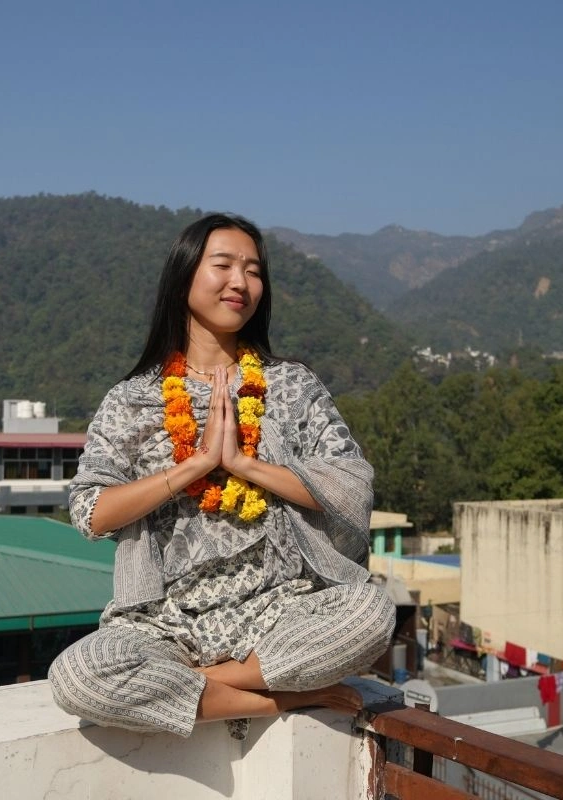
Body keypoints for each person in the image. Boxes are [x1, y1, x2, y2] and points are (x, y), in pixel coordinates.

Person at [48, 213, 395, 738]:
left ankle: (208, 684)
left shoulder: (293, 386)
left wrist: (245, 465)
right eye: (224, 265)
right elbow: (90, 512)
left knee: (371, 613)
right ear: (184, 276)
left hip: (279, 607)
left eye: (254, 270)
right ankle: (281, 697)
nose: (241, 282)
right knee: (78, 678)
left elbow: (352, 486)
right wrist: (194, 466)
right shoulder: (133, 399)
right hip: (166, 621)